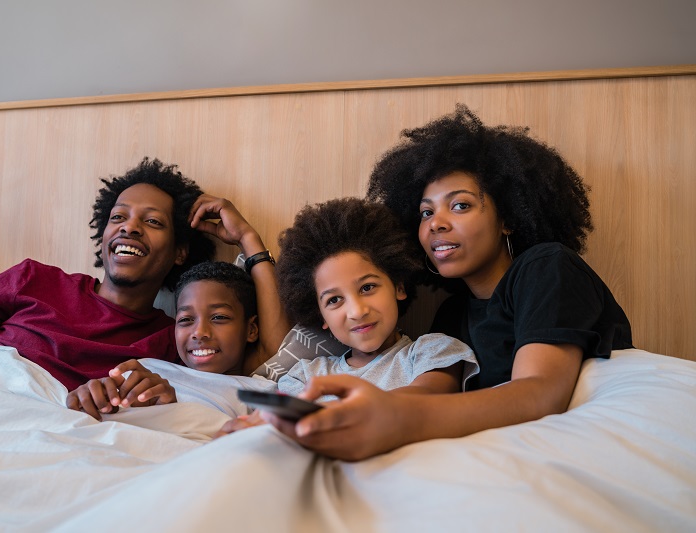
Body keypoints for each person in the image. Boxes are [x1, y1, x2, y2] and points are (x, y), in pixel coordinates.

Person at [262, 105, 633, 461]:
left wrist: (394, 417)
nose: (436, 223)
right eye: (426, 212)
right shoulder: (453, 314)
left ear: (509, 217)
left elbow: (540, 395)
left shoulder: (547, 267)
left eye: (460, 205)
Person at [0, 158, 289, 391]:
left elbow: (272, 352)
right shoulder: (33, 279)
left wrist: (248, 239)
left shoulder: (176, 338)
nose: (128, 227)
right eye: (117, 217)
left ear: (180, 251)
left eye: (152, 221)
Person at [216, 198, 477, 435]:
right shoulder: (306, 375)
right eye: (334, 300)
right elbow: (283, 425)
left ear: (398, 287)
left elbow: (424, 399)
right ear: (321, 317)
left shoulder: (434, 352)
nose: (357, 311)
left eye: (367, 288)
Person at [66, 261, 271, 420]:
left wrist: (172, 410)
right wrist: (91, 396)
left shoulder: (258, 393)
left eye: (218, 317)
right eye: (186, 320)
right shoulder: (146, 370)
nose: (199, 332)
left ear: (251, 329)